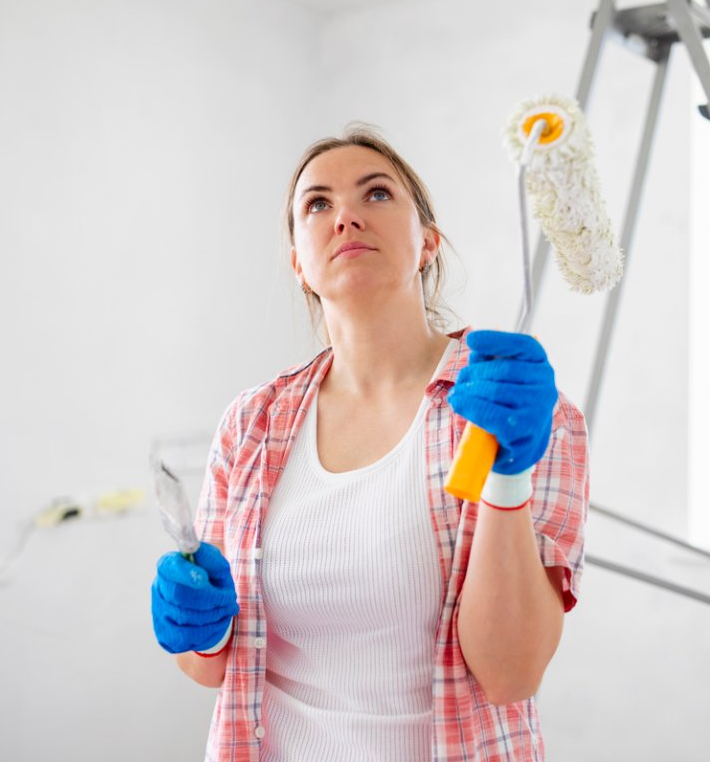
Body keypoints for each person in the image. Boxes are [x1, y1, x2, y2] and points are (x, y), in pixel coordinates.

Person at [150, 126, 589, 761]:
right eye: (317, 204)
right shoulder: (252, 424)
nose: (346, 216)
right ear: (300, 262)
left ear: (427, 244)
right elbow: (208, 668)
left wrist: (507, 476)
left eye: (376, 194)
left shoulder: (515, 410)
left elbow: (511, 674)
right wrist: (198, 627)